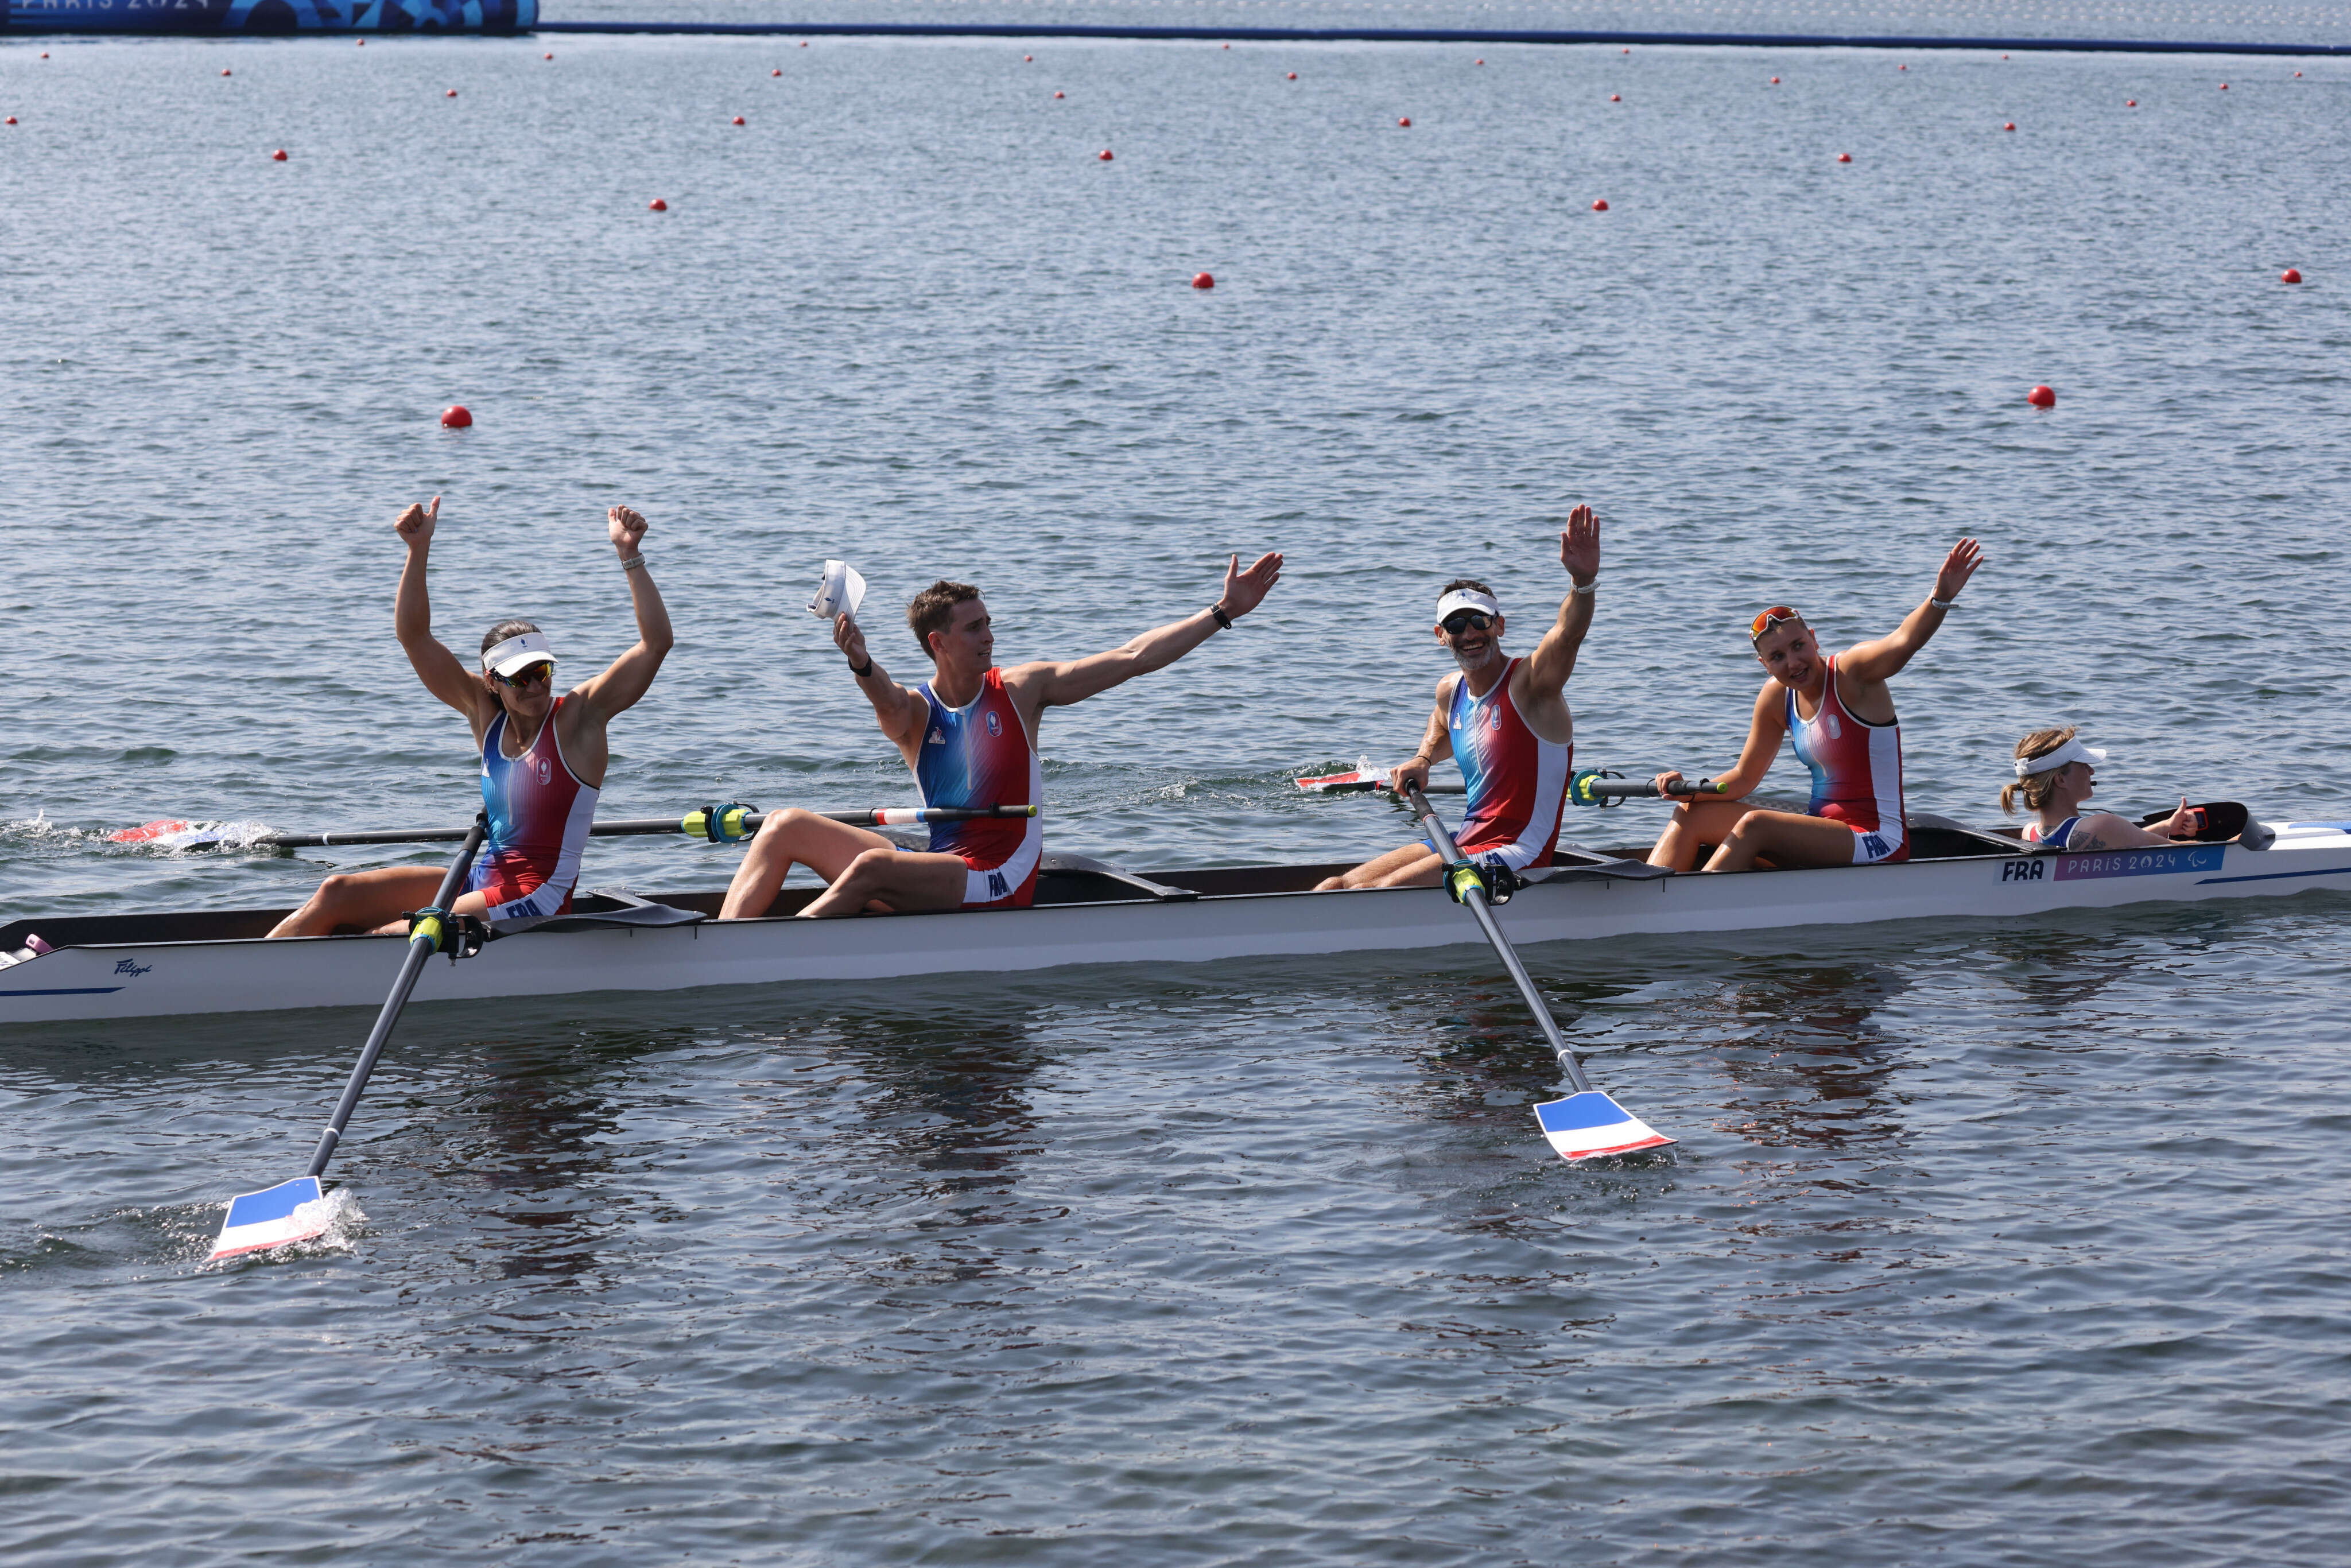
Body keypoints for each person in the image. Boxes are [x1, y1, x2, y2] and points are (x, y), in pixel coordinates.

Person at [718, 551, 1284, 919]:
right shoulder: (914, 713)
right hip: (941, 861)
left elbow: (1131, 657)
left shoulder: (1021, 690)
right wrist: (861, 661)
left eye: (988, 621)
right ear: (938, 643)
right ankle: (724, 944)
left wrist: (1221, 612)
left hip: (997, 879)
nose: (990, 635)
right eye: (974, 627)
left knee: (869, 870)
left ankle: (777, 953)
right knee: (783, 823)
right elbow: (885, 695)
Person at [267, 496, 674, 937]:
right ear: (492, 680)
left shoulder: (579, 720)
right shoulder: (484, 715)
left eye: (543, 671)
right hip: (484, 877)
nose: (537, 686)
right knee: (336, 891)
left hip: (539, 894)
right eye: (521, 678)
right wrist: (417, 550)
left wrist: (629, 556)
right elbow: (414, 637)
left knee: (389, 937)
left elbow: (655, 646)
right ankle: (253, 972)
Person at [1647, 538, 1984, 872]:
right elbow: (1742, 779)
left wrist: (1939, 597)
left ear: (1814, 638)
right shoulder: (1776, 697)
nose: (1793, 663)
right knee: (1693, 815)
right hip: (1823, 830)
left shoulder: (1853, 674)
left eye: (1798, 646)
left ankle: (1690, 907)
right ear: (1765, 665)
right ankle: (1646, 899)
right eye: (1778, 657)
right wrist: (1687, 790)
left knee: (1755, 825)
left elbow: (1902, 641)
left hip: (1878, 840)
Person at [1314, 505, 1600, 891]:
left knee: (1379, 893)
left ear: (1499, 625)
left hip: (1519, 852)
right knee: (1335, 886)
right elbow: (1442, 725)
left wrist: (1582, 582)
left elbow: (1567, 635)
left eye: (1480, 621)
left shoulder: (1531, 685)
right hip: (1464, 840)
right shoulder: (1451, 691)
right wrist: (1424, 758)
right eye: (1456, 624)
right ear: (1440, 634)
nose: (1470, 633)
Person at [2003, 728, 2199, 849]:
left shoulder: (2029, 833)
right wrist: (2231, 842)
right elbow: (2190, 852)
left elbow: (2116, 841)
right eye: (2083, 765)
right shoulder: (2103, 825)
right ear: (2061, 780)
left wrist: (2166, 826)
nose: (2092, 771)